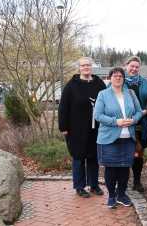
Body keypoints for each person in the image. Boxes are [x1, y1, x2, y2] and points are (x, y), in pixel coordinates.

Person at [95, 67, 144, 209]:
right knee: (111, 169)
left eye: (120, 76)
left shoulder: (130, 93)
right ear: (110, 78)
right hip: (109, 138)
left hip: (128, 137)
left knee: (124, 168)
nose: (118, 78)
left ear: (124, 79)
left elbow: (139, 112)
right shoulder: (103, 94)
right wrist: (116, 122)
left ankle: (121, 194)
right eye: (115, 76)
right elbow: (98, 115)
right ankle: (111, 196)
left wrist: (133, 120)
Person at [58, 57, 106, 198]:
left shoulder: (99, 83)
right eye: (83, 65)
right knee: (78, 158)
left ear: (92, 67)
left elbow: (107, 101)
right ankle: (79, 186)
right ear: (79, 68)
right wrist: (63, 127)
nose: (86, 67)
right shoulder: (71, 85)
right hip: (76, 130)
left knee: (93, 157)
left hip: (96, 128)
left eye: (88, 65)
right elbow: (63, 107)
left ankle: (94, 185)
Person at [124, 56, 147, 193]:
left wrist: (145, 111)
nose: (134, 69)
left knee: (138, 153)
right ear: (126, 66)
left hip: (141, 123)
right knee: (123, 153)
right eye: (131, 66)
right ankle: (122, 182)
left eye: (136, 67)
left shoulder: (145, 83)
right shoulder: (118, 81)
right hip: (123, 123)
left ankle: (137, 181)